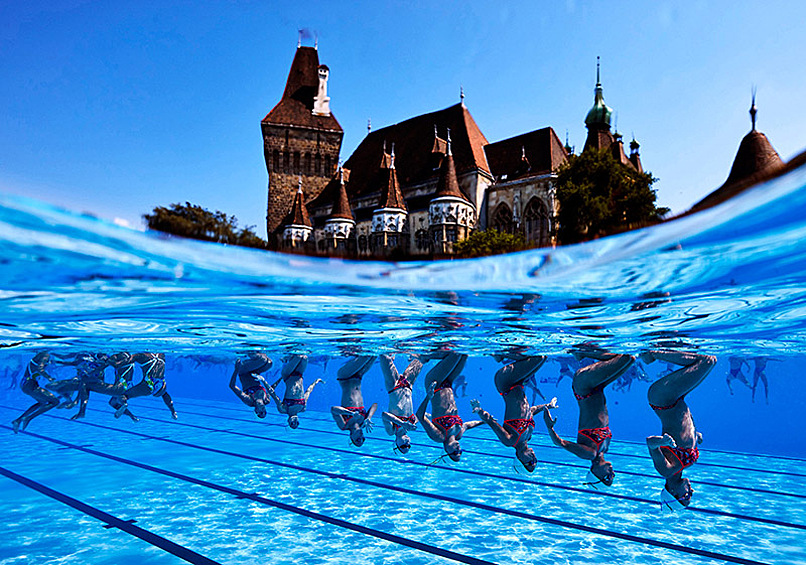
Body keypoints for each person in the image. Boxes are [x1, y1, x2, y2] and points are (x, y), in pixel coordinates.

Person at [542, 345, 634, 486]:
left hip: (584, 388)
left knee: (625, 358)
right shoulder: (605, 448)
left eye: (608, 478)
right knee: (630, 360)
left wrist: (549, 427)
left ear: (595, 473)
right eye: (612, 477)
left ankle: (583, 352)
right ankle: (583, 353)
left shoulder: (589, 453)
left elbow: (560, 442)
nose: (613, 473)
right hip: (598, 387)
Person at [642, 350, 716, 510]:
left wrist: (663, 441)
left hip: (663, 400)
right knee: (708, 361)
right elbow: (682, 430)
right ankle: (659, 350)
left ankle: (652, 353)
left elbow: (650, 444)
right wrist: (696, 436)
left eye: (687, 495)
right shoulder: (685, 465)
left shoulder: (666, 470)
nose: (692, 490)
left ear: (673, 493)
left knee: (707, 361)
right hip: (676, 400)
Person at [471, 353, 557, 472]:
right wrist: (547, 406)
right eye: (536, 461)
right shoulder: (528, 436)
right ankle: (504, 355)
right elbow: (530, 411)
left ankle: (501, 355)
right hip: (519, 383)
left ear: (519, 459)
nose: (534, 458)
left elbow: (491, 422)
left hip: (506, 384)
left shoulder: (510, 440)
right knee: (543, 358)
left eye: (530, 462)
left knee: (538, 358)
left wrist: (479, 410)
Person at [415, 352, 483, 462]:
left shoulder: (439, 436)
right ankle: (427, 356)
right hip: (448, 383)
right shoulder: (459, 434)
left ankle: (425, 357)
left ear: (446, 450)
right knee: (464, 353)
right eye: (460, 452)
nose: (458, 449)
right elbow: (468, 425)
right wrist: (486, 421)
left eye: (455, 452)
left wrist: (428, 396)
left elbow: (420, 416)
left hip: (435, 384)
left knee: (455, 354)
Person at [380, 353, 424, 453]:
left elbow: (384, 415)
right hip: (408, 384)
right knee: (422, 356)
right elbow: (423, 416)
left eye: (403, 446)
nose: (407, 444)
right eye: (409, 446)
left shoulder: (392, 431)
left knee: (384, 355)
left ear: (396, 443)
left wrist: (402, 423)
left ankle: (392, 355)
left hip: (393, 386)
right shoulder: (412, 424)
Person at [113, 353, 178, 419]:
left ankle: (125, 405)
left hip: (147, 386)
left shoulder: (142, 355)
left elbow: (126, 361)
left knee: (121, 396)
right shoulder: (162, 354)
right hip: (161, 384)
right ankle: (173, 412)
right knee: (164, 393)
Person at [331, 356, 377, 446]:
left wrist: (350, 413)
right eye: (363, 439)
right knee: (374, 355)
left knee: (366, 356)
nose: (361, 437)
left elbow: (334, 410)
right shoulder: (362, 421)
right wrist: (369, 417)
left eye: (357, 440)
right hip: (358, 377)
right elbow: (375, 405)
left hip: (345, 377)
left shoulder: (344, 425)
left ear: (351, 437)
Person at [267, 354, 324, 428]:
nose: (294, 422)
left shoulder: (283, 409)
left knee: (298, 357)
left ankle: (286, 358)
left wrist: (263, 380)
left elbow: (273, 394)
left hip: (287, 375)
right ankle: (287, 359)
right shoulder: (302, 408)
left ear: (288, 421)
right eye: (296, 423)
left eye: (292, 423)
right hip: (299, 374)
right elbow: (308, 392)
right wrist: (316, 381)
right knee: (304, 357)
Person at [11, 352, 59, 432]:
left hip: (26, 384)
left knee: (42, 402)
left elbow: (40, 367)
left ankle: (18, 420)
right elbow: (40, 369)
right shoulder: (45, 355)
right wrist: (49, 378)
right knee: (55, 401)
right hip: (31, 386)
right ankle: (28, 418)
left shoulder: (36, 359)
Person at [228, 352, 273, 419]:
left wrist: (236, 369)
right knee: (269, 363)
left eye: (260, 412)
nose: (263, 410)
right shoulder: (266, 400)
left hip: (244, 372)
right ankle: (257, 352)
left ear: (256, 410)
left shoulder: (249, 400)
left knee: (262, 360)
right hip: (254, 372)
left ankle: (249, 349)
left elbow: (232, 386)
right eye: (265, 412)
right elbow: (271, 389)